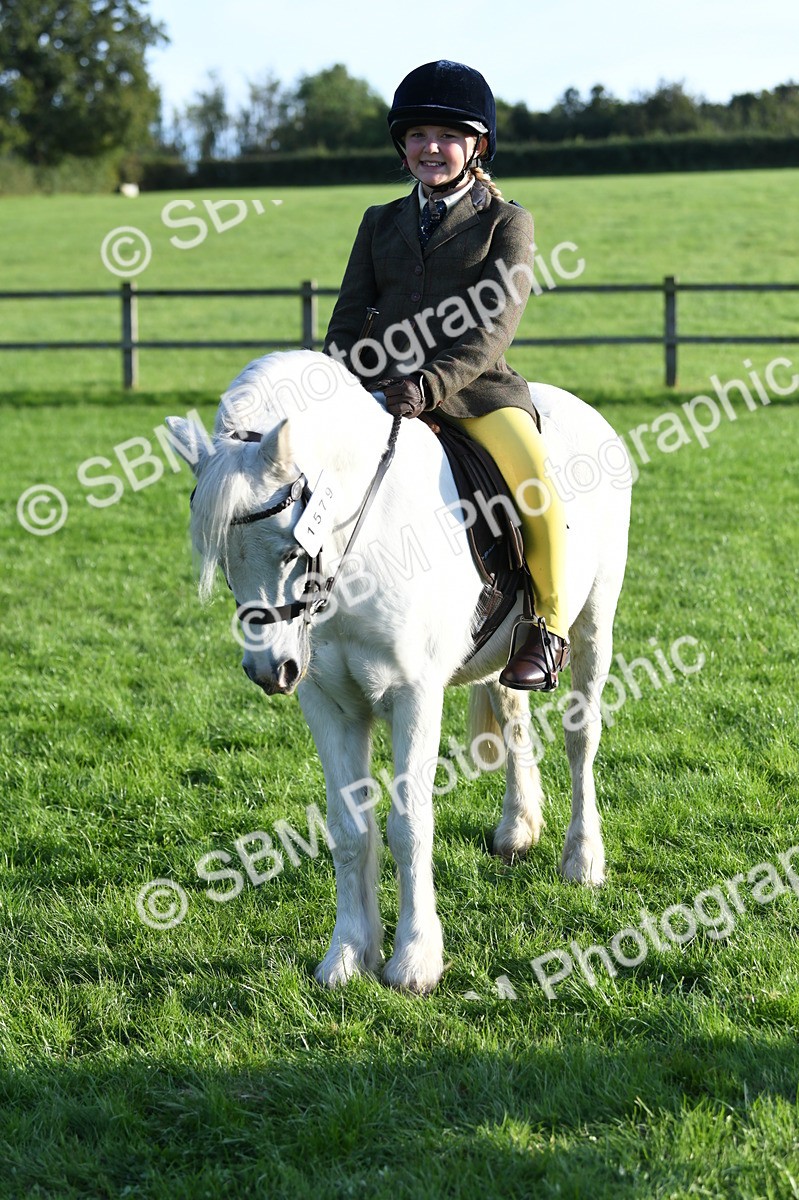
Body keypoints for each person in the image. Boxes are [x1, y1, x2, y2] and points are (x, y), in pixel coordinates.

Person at [323, 59, 569, 691]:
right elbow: (350, 314)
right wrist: (338, 375)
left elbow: (495, 326)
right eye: (417, 136)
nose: (431, 147)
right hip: (382, 389)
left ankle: (547, 626)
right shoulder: (379, 220)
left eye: (448, 135)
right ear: (402, 146)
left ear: (476, 145)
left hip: (476, 394)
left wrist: (431, 383)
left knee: (535, 483)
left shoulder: (506, 222)